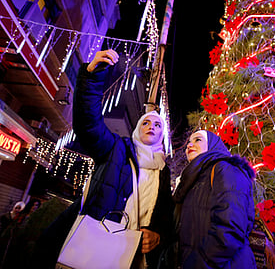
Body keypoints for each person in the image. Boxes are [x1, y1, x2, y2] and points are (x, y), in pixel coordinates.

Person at [34, 49, 175, 268]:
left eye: (158, 125)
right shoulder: (116, 149)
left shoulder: (163, 171)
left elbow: (166, 214)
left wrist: (159, 235)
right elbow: (89, 125)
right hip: (93, 249)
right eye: (146, 122)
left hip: (132, 257)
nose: (151, 127)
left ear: (162, 135)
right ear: (137, 129)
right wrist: (92, 76)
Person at [173, 129, 256, 268]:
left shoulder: (226, 169)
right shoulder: (193, 180)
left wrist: (202, 262)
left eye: (197, 140)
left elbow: (230, 228)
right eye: (188, 142)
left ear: (212, 145)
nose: (189, 145)